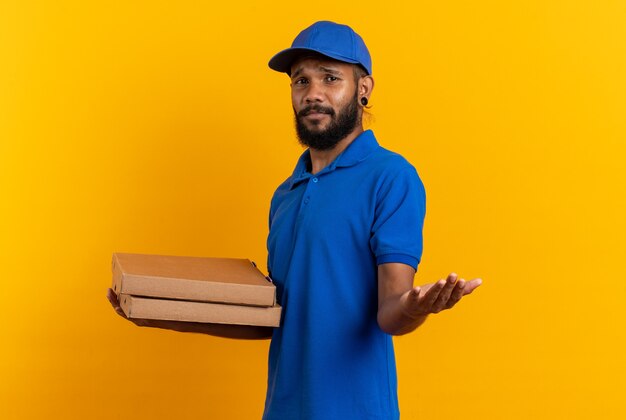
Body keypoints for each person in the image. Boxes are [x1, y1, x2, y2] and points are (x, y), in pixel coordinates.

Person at [107, 20, 482, 420]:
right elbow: (272, 319)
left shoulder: (390, 176)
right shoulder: (285, 195)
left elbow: (391, 311)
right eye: (301, 81)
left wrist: (416, 307)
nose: (313, 93)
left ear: (364, 89)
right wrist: (159, 312)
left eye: (330, 78)